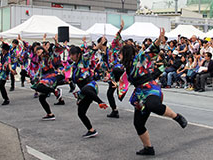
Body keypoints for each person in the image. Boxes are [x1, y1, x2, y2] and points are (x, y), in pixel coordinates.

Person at [119, 28, 187, 156]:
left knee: (152, 105)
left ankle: (177, 117)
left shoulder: (138, 60)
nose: (119, 56)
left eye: (121, 54)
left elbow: (150, 51)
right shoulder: (126, 66)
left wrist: (158, 40)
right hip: (139, 93)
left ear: (126, 54)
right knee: (138, 124)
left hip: (150, 88)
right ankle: (148, 148)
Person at [69, 42, 108, 138]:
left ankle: (100, 102)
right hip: (84, 91)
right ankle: (91, 130)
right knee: (81, 112)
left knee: (86, 89)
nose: (71, 56)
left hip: (91, 86)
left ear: (78, 54)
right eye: (70, 55)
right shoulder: (74, 66)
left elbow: (92, 51)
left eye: (73, 54)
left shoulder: (84, 59)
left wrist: (100, 43)